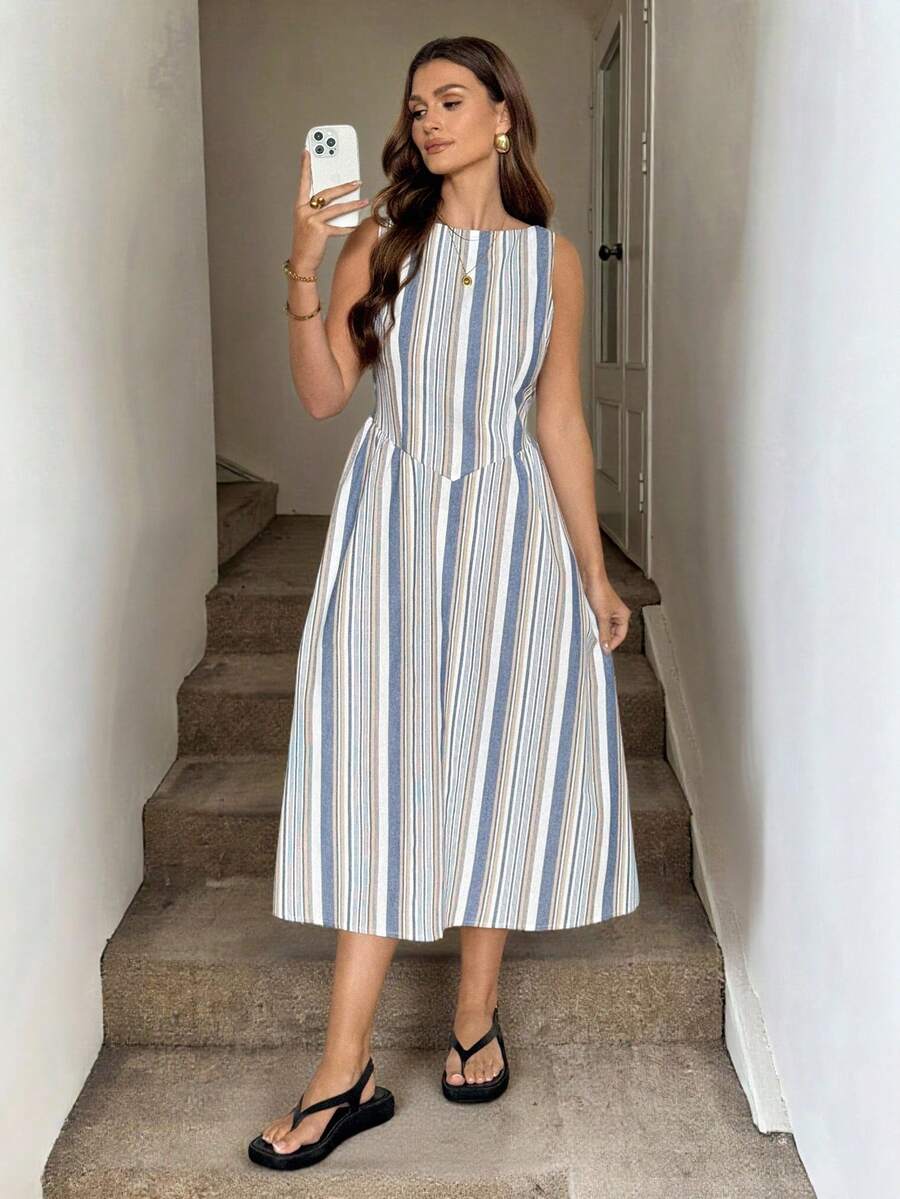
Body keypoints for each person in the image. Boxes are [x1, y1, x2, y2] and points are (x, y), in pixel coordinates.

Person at [248, 35, 639, 1172]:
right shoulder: (382, 241)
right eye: (416, 105)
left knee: (502, 756)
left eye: (451, 100)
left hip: (514, 531)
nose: (426, 120)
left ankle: (474, 1011)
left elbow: (557, 418)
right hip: (393, 527)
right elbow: (325, 396)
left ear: (503, 115)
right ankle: (344, 1068)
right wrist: (303, 267)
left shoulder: (550, 262)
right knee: (378, 768)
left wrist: (594, 570)